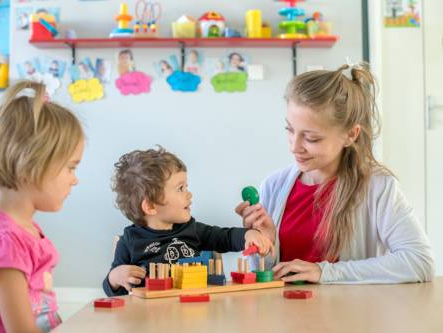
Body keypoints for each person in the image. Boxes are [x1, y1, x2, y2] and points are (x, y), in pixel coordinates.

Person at [236, 63, 434, 284]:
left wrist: (324, 272)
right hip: (284, 314)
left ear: (350, 134)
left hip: (349, 315)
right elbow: (266, 276)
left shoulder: (377, 186)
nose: (294, 147)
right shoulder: (273, 185)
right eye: (290, 130)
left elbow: (419, 261)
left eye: (311, 138)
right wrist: (266, 246)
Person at [0, 81, 85, 332]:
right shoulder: (4, 242)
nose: (75, 179)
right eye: (71, 167)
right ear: (31, 165)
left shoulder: (20, 231)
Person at [103, 147, 274, 296]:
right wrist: (115, 277)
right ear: (150, 206)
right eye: (180, 188)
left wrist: (248, 234)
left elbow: (225, 237)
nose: (189, 194)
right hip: (152, 317)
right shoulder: (130, 241)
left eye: (186, 187)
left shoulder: (191, 229)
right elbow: (111, 290)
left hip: (194, 308)